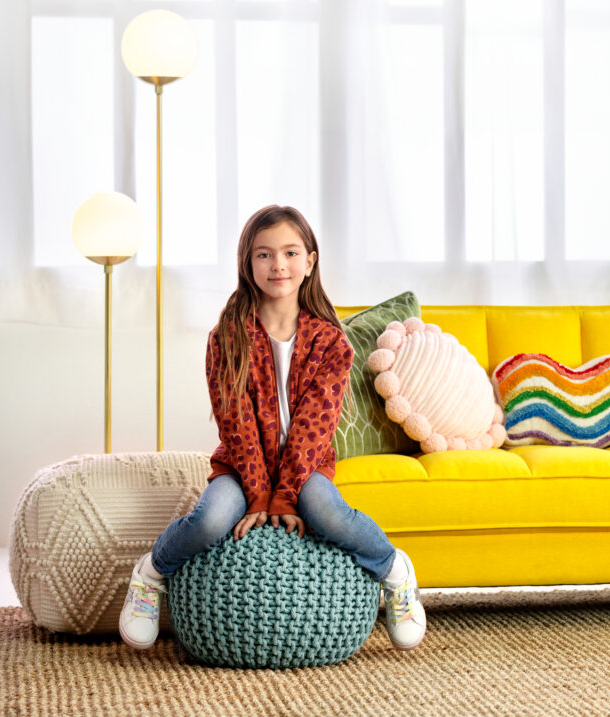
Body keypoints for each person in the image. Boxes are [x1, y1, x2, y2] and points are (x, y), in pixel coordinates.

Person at [118, 204, 426, 652]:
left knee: (328, 514)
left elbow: (315, 426)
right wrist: (258, 492)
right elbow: (235, 422)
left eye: (289, 253)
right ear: (247, 263)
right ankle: (150, 574)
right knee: (211, 522)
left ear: (310, 261)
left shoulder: (330, 342)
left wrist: (284, 494)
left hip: (306, 468)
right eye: (263, 255)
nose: (277, 265)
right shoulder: (228, 336)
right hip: (241, 468)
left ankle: (395, 572)